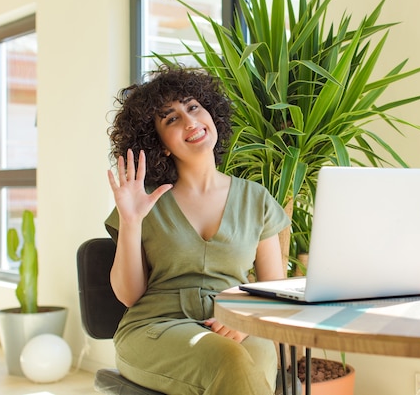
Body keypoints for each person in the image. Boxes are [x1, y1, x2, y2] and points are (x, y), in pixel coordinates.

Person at [105, 64, 290, 395]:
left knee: (258, 352)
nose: (190, 121)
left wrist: (244, 315)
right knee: (228, 359)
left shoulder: (255, 198)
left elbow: (275, 292)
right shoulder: (144, 200)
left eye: (193, 107)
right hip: (156, 328)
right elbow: (130, 296)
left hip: (235, 324)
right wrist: (131, 223)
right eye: (171, 118)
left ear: (211, 116)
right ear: (159, 143)